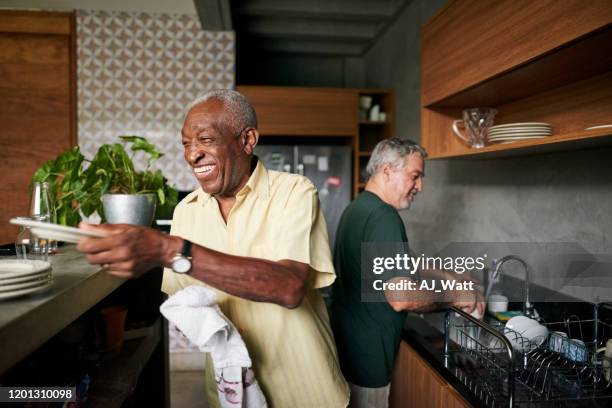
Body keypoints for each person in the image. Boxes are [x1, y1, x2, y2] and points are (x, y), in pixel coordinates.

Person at [77, 90, 349, 408]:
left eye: (205, 140)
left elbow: (289, 287)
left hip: (303, 391)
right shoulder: (187, 211)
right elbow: (182, 300)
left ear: (247, 140)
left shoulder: (294, 192)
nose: (192, 155)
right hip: (229, 393)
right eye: (186, 144)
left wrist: (170, 249)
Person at [328, 138, 484, 408]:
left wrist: (448, 275)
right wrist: (458, 297)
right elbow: (402, 298)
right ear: (387, 171)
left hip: (348, 351)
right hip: (369, 362)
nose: (420, 187)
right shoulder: (384, 217)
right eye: (415, 176)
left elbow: (392, 259)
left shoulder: (358, 208)